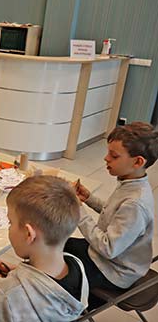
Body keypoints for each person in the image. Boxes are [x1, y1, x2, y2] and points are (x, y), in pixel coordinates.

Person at [0, 176, 88, 321]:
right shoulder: (76, 264)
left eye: (11, 222)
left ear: (29, 234)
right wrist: (19, 273)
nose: (9, 227)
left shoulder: (6, 295)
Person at [66, 122, 157, 301]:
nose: (106, 159)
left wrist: (78, 211)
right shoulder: (129, 181)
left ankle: (70, 306)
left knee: (57, 272)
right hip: (108, 256)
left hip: (115, 271)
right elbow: (115, 214)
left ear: (138, 161)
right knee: (56, 245)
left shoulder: (135, 203)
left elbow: (108, 248)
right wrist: (89, 199)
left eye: (114, 156)